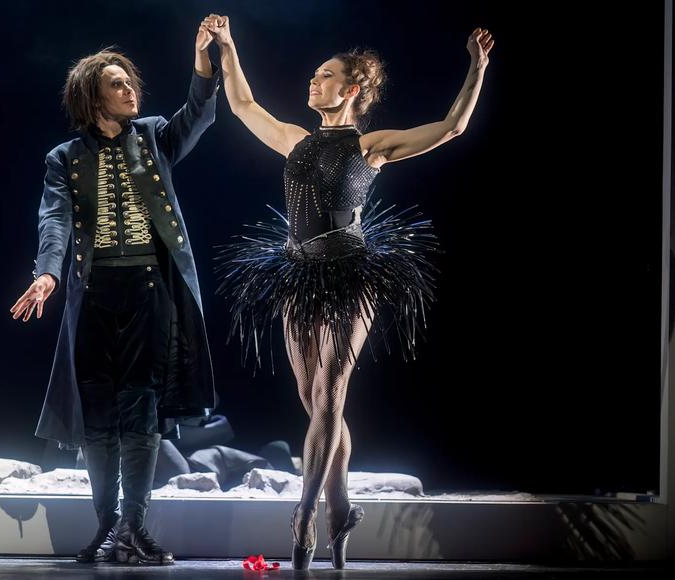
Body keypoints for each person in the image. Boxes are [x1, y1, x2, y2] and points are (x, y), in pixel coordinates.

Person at [204, 14, 493, 570]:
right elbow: (242, 104)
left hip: (349, 274)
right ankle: (340, 506)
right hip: (297, 272)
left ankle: (305, 512)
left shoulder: (371, 146)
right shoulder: (295, 140)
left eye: (326, 75)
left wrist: (476, 69)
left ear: (352, 89)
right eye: (314, 75)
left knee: (331, 394)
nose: (313, 81)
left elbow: (451, 127)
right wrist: (228, 44)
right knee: (310, 397)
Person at [9, 23, 220, 565]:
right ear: (92, 96)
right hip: (95, 295)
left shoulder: (153, 136)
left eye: (130, 82)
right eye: (117, 84)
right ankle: (107, 525)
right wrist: (47, 274)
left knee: (141, 410)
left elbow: (198, 114)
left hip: (150, 292)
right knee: (99, 416)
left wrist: (202, 60)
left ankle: (134, 526)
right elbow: (55, 221)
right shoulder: (64, 157)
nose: (130, 90)